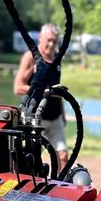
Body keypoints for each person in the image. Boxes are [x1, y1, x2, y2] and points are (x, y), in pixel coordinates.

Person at [14, 23, 68, 174]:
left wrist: (63, 114)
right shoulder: (31, 57)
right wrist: (44, 92)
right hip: (36, 117)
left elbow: (56, 89)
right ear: (40, 37)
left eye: (54, 41)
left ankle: (59, 184)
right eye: (48, 40)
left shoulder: (57, 58)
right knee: (32, 158)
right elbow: (18, 87)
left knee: (63, 156)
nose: (51, 44)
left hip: (55, 116)